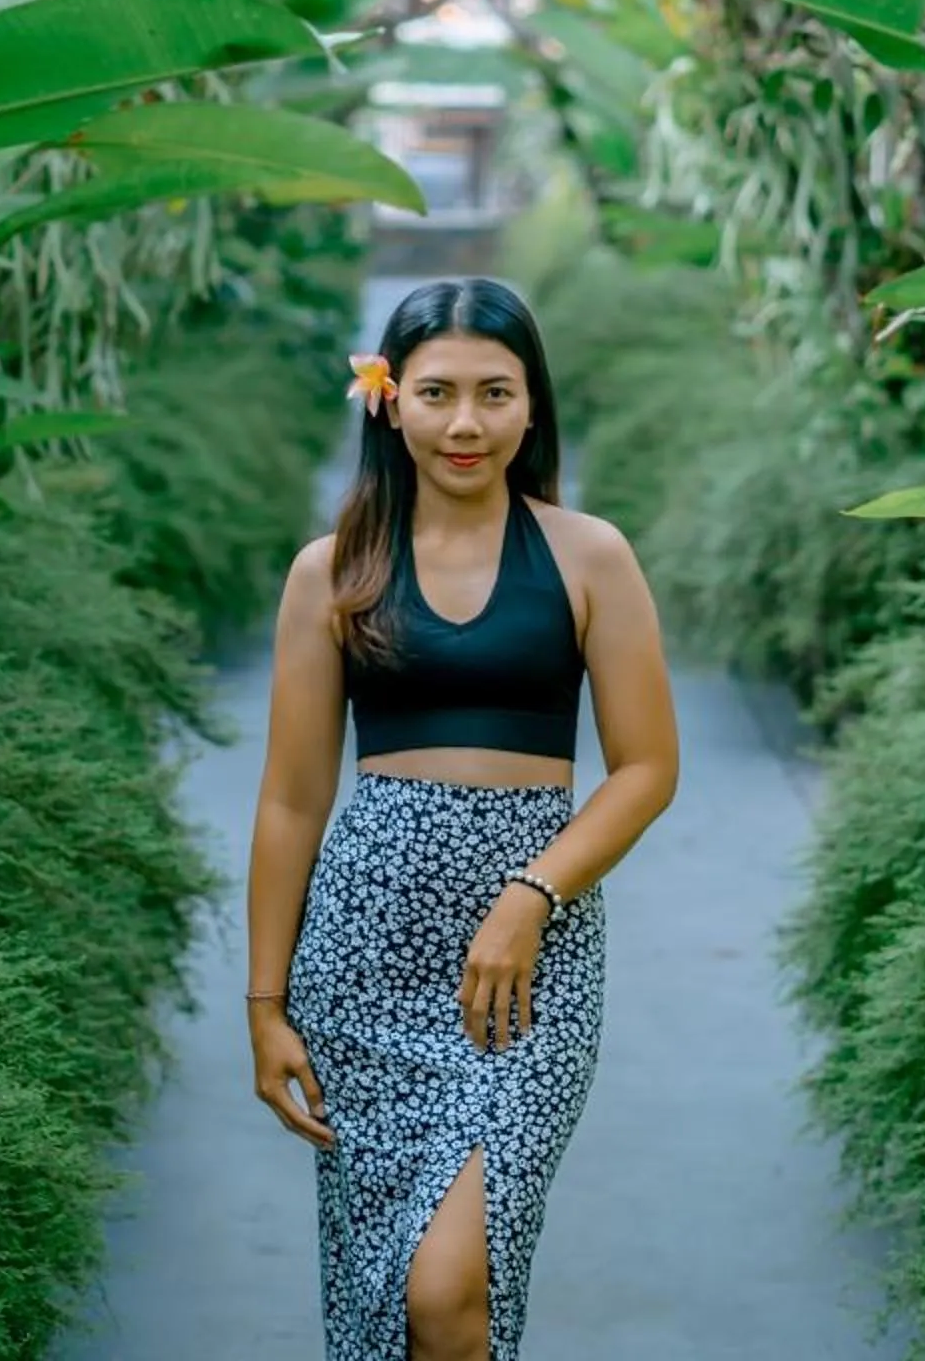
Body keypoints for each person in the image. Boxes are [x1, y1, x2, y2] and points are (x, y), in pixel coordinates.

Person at [244, 276, 681, 1361]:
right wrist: (265, 1001)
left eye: (497, 391)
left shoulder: (590, 556)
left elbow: (647, 768)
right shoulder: (332, 570)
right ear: (389, 401)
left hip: (526, 977)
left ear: (533, 407)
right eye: (437, 392)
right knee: (391, 1293)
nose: (467, 422)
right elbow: (293, 798)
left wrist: (533, 893)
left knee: (450, 1287)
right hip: (364, 966)